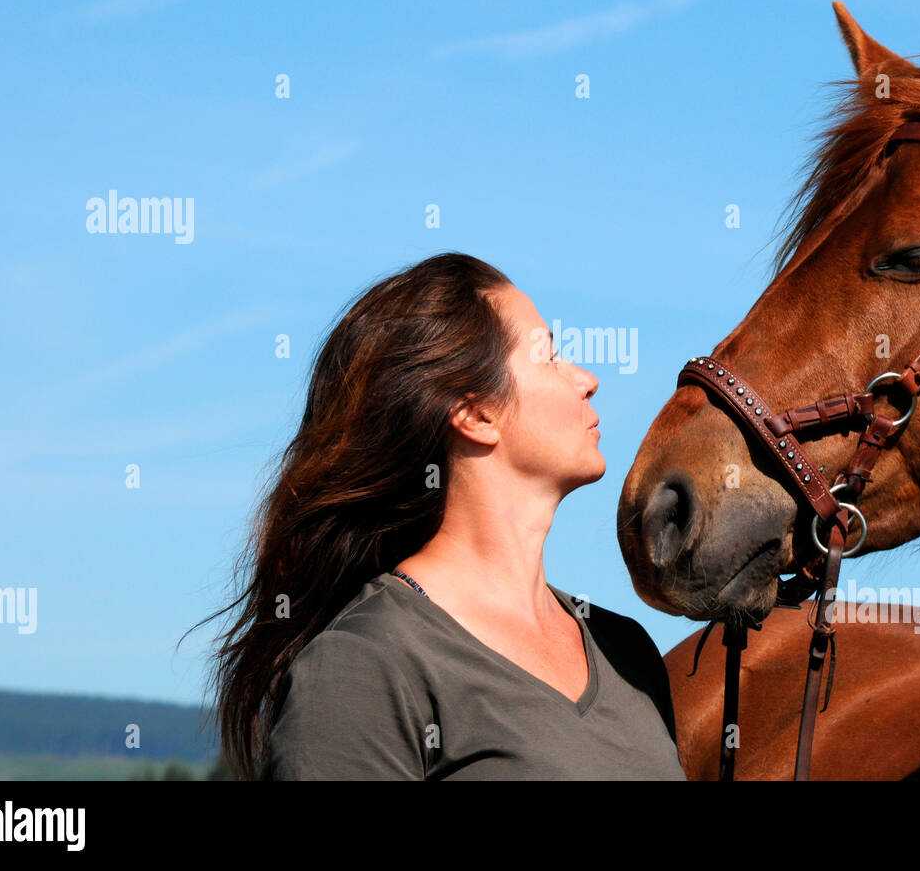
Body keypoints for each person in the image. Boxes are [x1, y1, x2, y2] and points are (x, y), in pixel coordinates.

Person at [198, 252, 685, 780]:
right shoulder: (363, 667)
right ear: (475, 413)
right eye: (549, 357)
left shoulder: (627, 653)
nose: (587, 379)